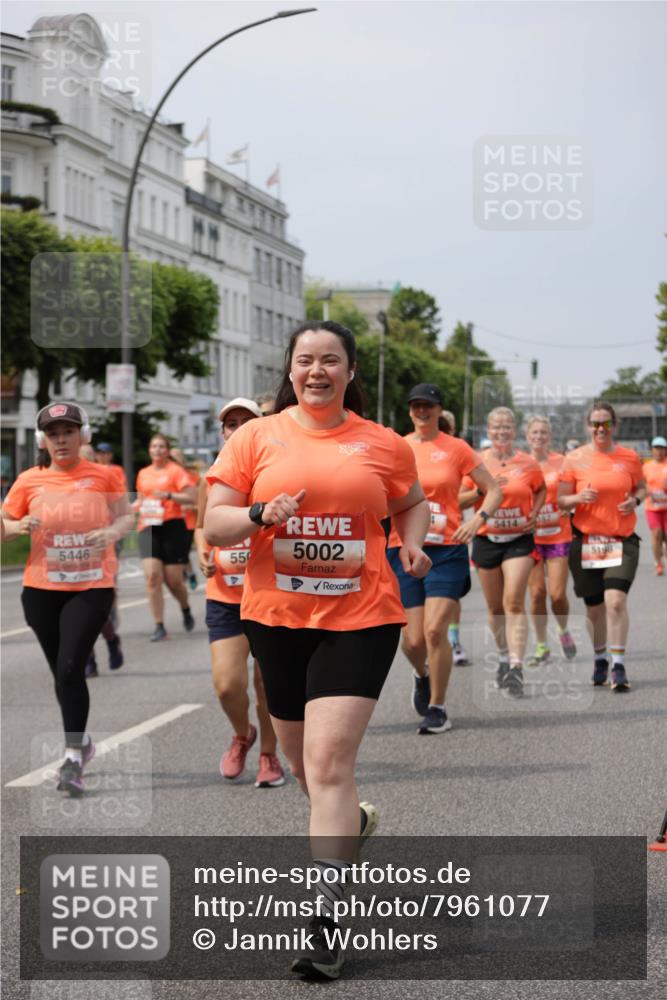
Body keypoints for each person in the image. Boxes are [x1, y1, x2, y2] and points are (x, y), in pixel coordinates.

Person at [204, 320, 431, 979]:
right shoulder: (255, 437)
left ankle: (326, 925)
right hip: (275, 617)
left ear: (349, 371)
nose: (317, 370)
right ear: (291, 369)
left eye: (330, 360)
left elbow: (410, 504)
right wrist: (258, 515)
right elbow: (215, 523)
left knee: (329, 763)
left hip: (360, 616)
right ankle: (349, 823)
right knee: (307, 770)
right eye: (305, 360)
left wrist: (410, 541)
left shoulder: (382, 444)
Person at [1, 403, 132, 795]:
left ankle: (73, 754)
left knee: (72, 665)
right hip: (41, 589)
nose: (61, 439)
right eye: (54, 433)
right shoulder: (29, 481)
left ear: (82, 436)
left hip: (91, 585)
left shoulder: (104, 476)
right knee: (61, 672)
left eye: (68, 432)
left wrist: (111, 534)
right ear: (44, 440)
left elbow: (127, 517)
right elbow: (3, 527)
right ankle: (84, 741)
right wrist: (16, 525)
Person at [386, 384, 501, 733]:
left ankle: (437, 707)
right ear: (409, 411)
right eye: (416, 405)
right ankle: (421, 675)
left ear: (439, 410)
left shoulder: (456, 448)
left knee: (436, 631)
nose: (422, 411)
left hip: (446, 549)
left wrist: (479, 520)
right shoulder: (397, 447)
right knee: (413, 640)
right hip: (403, 548)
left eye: (428, 406)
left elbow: (492, 489)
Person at [195, 397, 285, 788]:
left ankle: (269, 755)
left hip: (269, 596)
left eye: (245, 422)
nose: (237, 430)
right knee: (228, 683)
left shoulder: (274, 474)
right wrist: (202, 549)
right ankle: (241, 734)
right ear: (223, 432)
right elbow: (203, 525)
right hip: (225, 598)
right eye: (230, 424)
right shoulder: (211, 477)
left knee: (267, 685)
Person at [558, 402, 646, 691]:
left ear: (614, 426)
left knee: (616, 601)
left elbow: (641, 488)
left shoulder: (630, 457)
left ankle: (618, 664)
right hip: (586, 542)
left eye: (606, 423)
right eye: (595, 424)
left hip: (621, 540)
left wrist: (635, 500)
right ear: (588, 426)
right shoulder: (574, 459)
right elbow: (561, 501)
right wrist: (578, 497)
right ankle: (600, 657)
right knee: (594, 609)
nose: (600, 429)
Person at [470, 407, 546, 696]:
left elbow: (541, 489)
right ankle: (503, 656)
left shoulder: (527, 462)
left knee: (514, 601)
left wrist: (535, 514)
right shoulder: (477, 462)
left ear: (514, 431)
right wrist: (482, 492)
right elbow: (460, 498)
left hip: (519, 540)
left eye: (507, 427)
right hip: (487, 539)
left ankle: (516, 666)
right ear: (488, 431)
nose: (501, 432)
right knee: (494, 607)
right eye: (496, 427)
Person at [524, 416, 577, 665]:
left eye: (543, 432)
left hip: (558, 535)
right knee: (536, 594)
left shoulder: (562, 462)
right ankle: (542, 645)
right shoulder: (520, 463)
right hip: (529, 538)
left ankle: (563, 630)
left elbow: (573, 489)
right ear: (527, 436)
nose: (538, 436)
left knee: (556, 595)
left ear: (550, 436)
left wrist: (571, 506)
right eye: (534, 432)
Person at [135, 434, 197, 641]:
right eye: (154, 446)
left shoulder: (176, 471)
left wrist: (170, 496)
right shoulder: (143, 473)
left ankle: (185, 608)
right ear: (149, 450)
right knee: (152, 576)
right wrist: (130, 508)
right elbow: (141, 499)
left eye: (161, 446)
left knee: (174, 581)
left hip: (173, 526)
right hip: (149, 525)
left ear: (167, 450)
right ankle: (159, 625)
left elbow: (193, 496)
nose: (157, 450)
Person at [84, 441, 126, 676]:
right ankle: (89, 659)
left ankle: (111, 638)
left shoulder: (107, 476)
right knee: (78, 615)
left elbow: (122, 510)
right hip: (68, 555)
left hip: (102, 546)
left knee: (95, 611)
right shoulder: (60, 481)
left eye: (91, 457)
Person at [170, 447, 200, 592]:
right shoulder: (169, 476)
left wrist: (190, 506)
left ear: (182, 459)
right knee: (179, 552)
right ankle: (187, 573)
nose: (175, 460)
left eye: (177, 457)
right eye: (172, 457)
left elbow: (201, 501)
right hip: (173, 520)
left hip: (189, 522)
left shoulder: (192, 476)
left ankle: (189, 573)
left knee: (183, 552)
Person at [643, 435, 667, 575]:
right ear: (652, 450)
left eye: (662, 448)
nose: (659, 451)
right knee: (657, 533)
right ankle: (658, 563)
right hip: (652, 508)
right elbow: (640, 485)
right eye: (657, 448)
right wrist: (647, 490)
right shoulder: (646, 467)